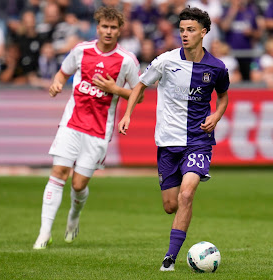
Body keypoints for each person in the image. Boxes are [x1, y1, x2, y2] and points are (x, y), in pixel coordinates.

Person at [118, 6, 229, 271]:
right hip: (168, 142)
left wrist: (217, 115)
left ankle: (169, 258)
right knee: (170, 205)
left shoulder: (216, 67)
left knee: (187, 194)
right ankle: (179, 229)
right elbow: (140, 86)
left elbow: (223, 96)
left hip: (198, 140)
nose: (185, 34)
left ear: (203, 32)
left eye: (190, 30)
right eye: (181, 30)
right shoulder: (165, 61)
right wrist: (127, 115)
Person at [33, 6, 141, 249]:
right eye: (105, 26)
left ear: (120, 30)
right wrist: (56, 84)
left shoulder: (127, 60)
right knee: (58, 173)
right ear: (97, 26)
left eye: (113, 27)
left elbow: (139, 94)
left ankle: (74, 215)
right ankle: (43, 233)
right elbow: (62, 74)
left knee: (78, 184)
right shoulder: (81, 50)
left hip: (98, 131)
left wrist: (116, 90)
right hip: (71, 124)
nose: (109, 31)